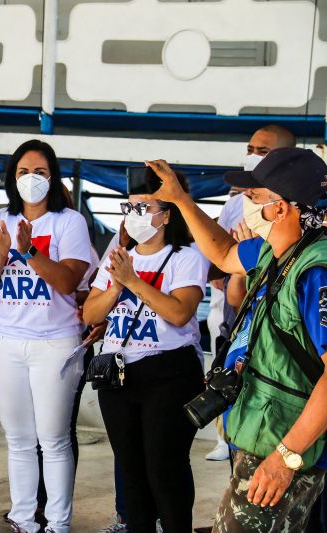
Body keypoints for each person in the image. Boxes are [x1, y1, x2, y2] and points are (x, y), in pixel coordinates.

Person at [147, 148, 327, 532]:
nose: (245, 204)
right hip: (264, 436)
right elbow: (223, 251)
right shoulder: (274, 251)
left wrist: (285, 458)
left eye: (254, 197)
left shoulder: (315, 273)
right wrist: (180, 198)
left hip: (284, 448)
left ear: (281, 209)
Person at [0, 140, 91, 533]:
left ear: (53, 176)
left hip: (54, 343)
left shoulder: (68, 222)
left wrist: (28, 253)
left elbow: (68, 280)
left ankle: (57, 523)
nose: (31, 179)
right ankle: (23, 520)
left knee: (53, 439)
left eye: (39, 172)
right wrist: (2, 253)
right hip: (6, 341)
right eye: (23, 172)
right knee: (19, 439)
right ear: (11, 178)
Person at [82, 165, 207, 533]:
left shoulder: (186, 256)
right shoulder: (118, 258)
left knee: (164, 469)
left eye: (144, 208)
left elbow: (180, 312)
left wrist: (132, 282)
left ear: (166, 215)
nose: (133, 216)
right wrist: (116, 287)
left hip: (169, 375)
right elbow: (90, 312)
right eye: (129, 208)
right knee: (131, 470)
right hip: (119, 376)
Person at [205, 125, 296, 462]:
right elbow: (226, 256)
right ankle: (227, 436)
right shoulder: (237, 204)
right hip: (241, 301)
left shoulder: (310, 263)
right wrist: (234, 269)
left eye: (263, 150)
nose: (253, 154)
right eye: (251, 148)